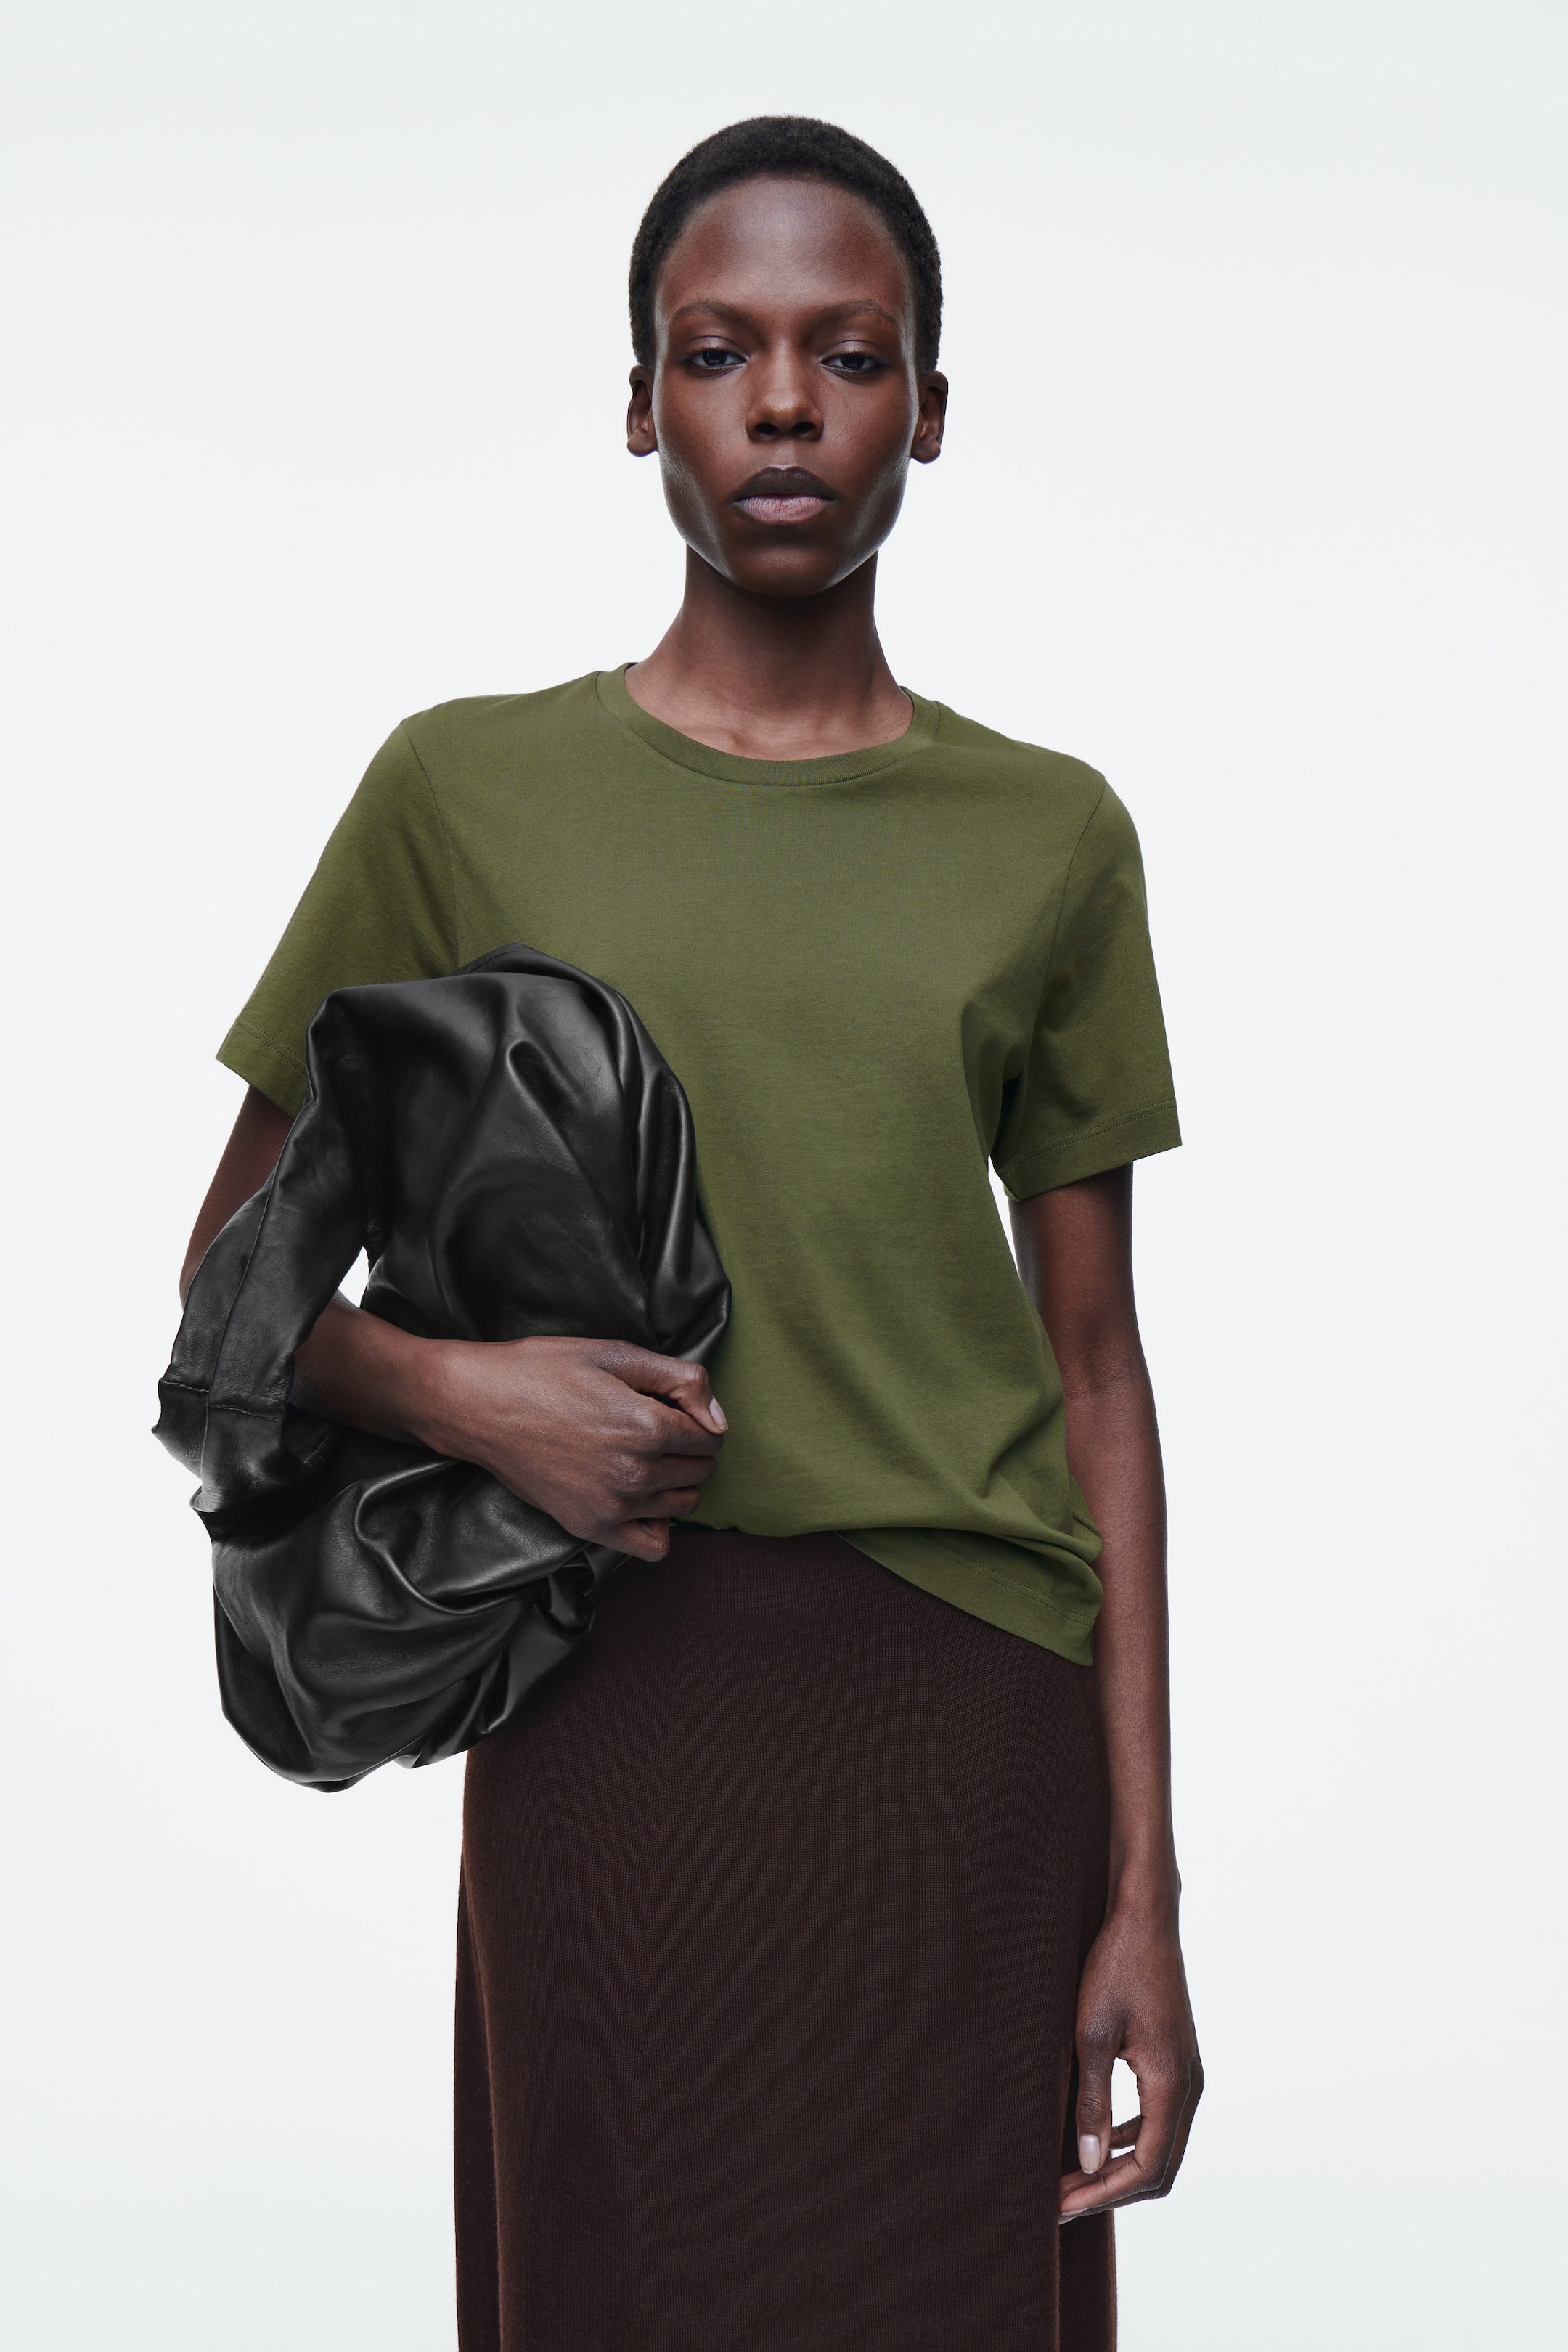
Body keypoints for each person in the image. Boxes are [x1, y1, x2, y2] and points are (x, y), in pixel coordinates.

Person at [181, 115, 1201, 2352]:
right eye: (719, 352)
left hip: (968, 1713)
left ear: (931, 405)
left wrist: (1146, 1888)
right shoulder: (461, 794)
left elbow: (1098, 1377)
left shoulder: (1050, 836)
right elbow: (228, 1283)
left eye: (851, 353)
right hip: (608, 1693)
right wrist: (475, 1401)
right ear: (640, 403)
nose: (785, 405)